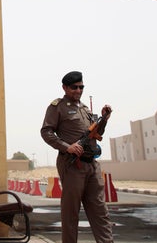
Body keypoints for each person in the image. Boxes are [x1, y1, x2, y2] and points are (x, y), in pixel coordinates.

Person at [41, 71, 114, 243]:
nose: (78, 90)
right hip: (72, 165)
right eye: (74, 87)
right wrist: (68, 147)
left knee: (100, 212)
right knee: (71, 213)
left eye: (81, 87)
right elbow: (46, 131)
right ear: (65, 88)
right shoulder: (57, 107)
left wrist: (104, 118)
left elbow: (97, 133)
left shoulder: (85, 109)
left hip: (92, 165)